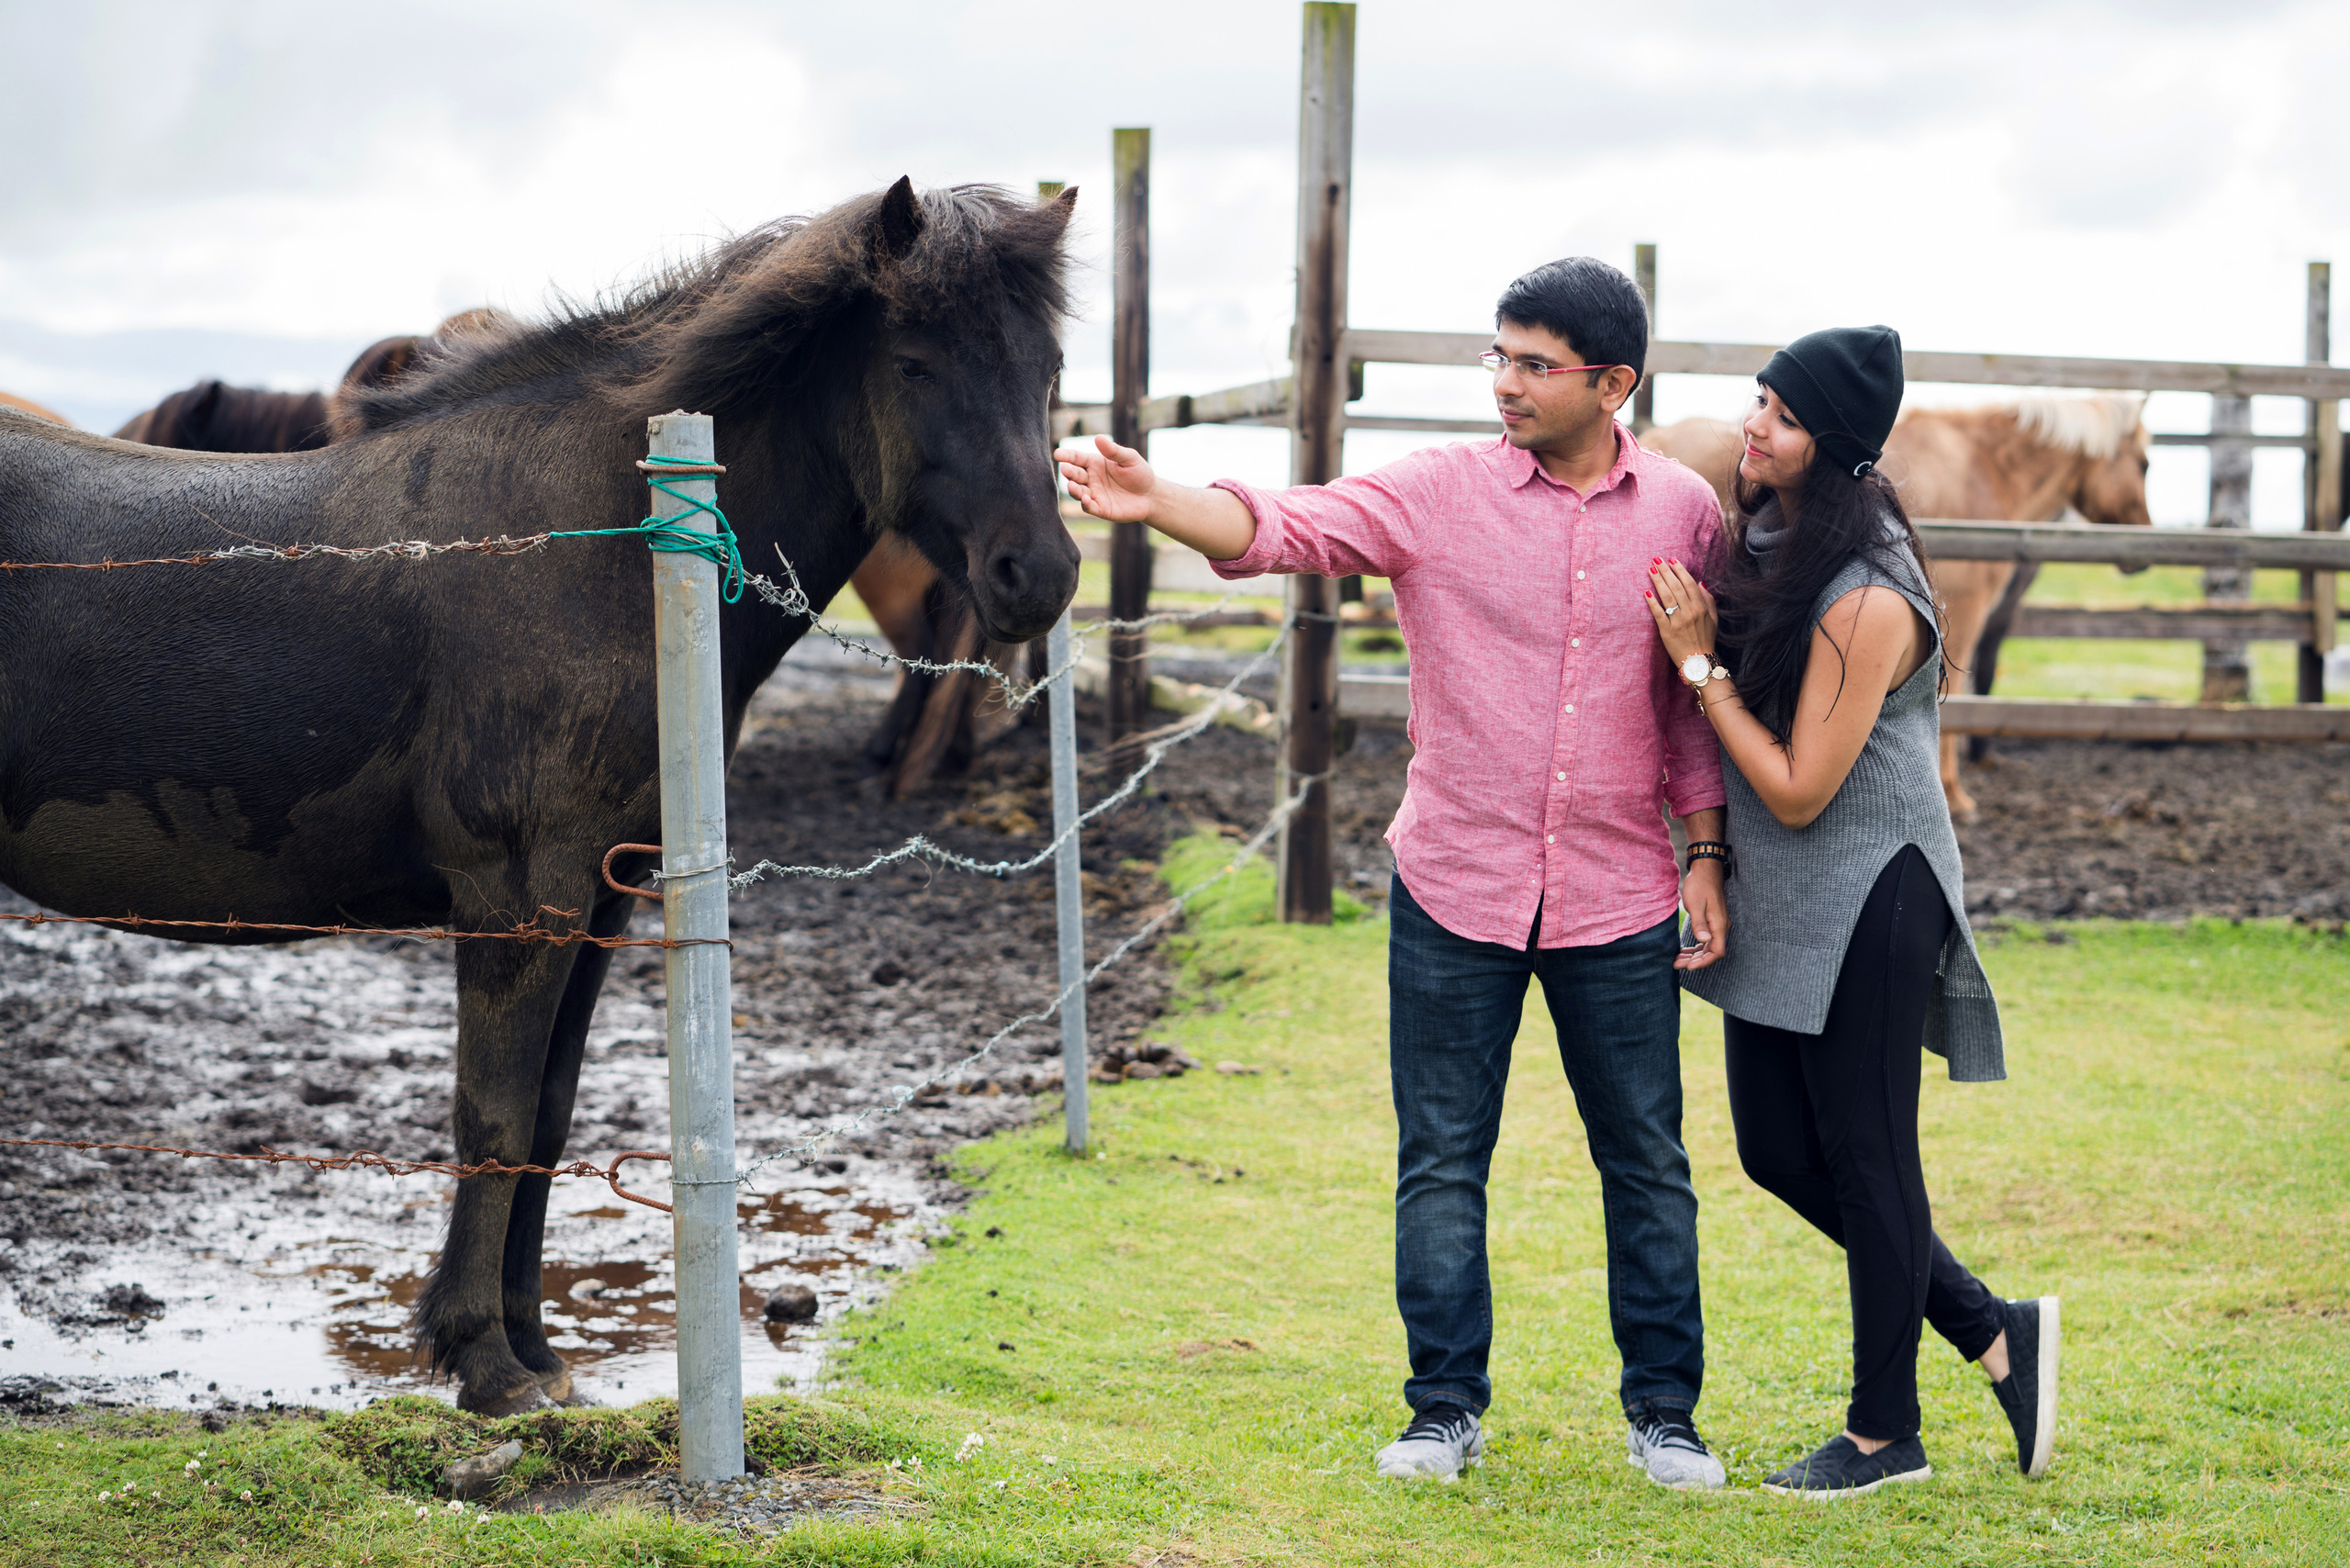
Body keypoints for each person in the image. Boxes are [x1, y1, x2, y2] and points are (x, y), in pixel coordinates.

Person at [1059, 258, 1736, 1489]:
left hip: (1620, 890)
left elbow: (1685, 708)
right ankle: (1442, 1413)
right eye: (1499, 356)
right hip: (1455, 885)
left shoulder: (1687, 512)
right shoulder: (1437, 491)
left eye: (1536, 364)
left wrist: (1704, 853)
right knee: (1440, 1156)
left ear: (1614, 382)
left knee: (1645, 1159)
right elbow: (1286, 525)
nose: (1506, 384)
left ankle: (1666, 1419)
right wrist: (1158, 497)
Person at [1643, 326, 2058, 1498]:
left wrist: (1695, 664)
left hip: (1876, 886)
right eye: (1755, 401)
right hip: (1786, 889)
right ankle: (1992, 1327)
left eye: (1778, 412)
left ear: (1834, 442)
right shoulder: (1774, 542)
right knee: (1778, 1150)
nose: (1752, 425)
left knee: (1871, 1158)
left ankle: (1886, 1435)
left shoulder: (1868, 592)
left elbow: (1797, 782)